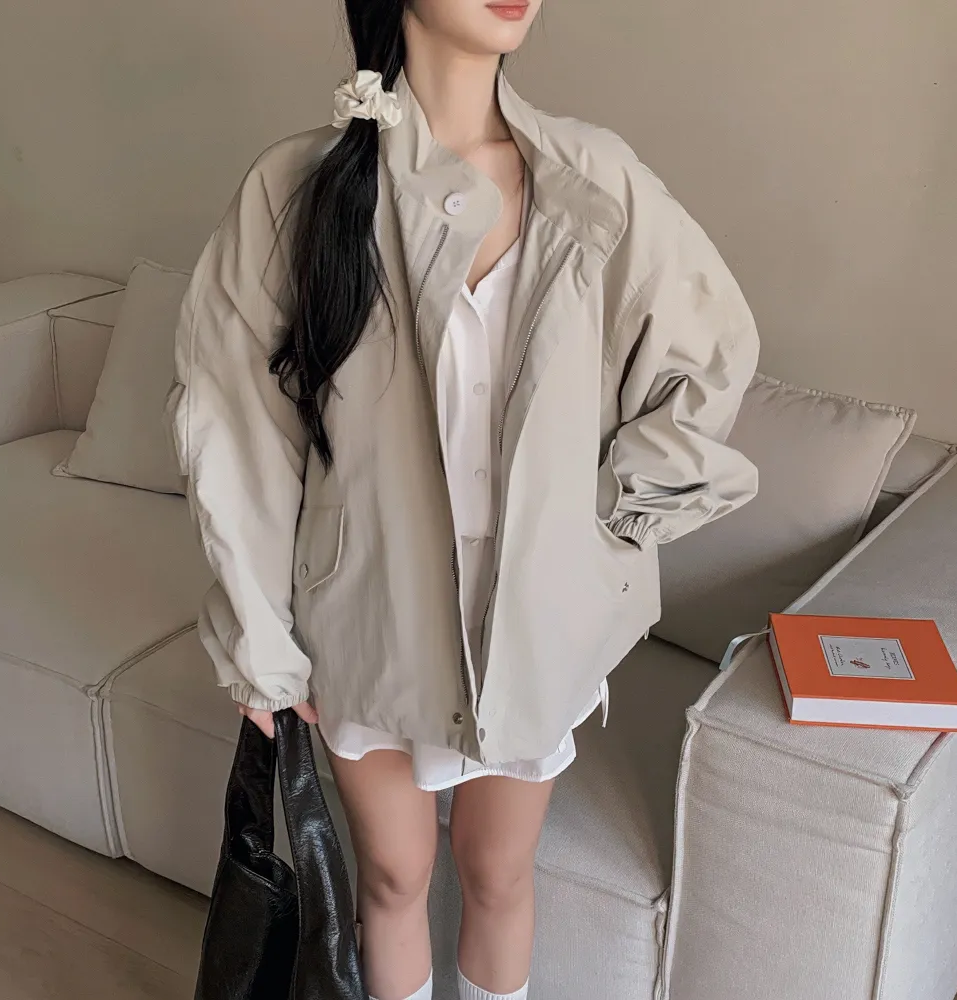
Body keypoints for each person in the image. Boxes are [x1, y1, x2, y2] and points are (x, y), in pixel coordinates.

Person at [167, 1, 760, 998]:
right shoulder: (300, 188)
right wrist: (261, 643)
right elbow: (237, 426)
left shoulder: (592, 177)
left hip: (535, 624)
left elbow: (707, 360)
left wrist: (604, 522)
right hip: (369, 612)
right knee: (391, 879)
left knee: (498, 873)